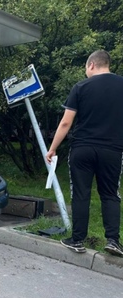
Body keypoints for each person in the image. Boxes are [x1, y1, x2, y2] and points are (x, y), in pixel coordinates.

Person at [45, 50, 123, 257]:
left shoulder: (81, 87)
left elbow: (66, 122)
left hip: (83, 149)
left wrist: (52, 148)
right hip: (112, 150)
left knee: (81, 193)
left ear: (91, 65)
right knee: (110, 194)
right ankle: (113, 241)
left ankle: (77, 240)